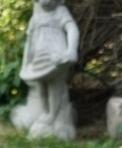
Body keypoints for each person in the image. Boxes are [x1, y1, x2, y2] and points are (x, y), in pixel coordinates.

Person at [11, 0, 79, 140]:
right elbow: (29, 43)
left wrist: (71, 49)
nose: (47, 1)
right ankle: (46, 113)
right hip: (38, 60)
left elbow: (72, 29)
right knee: (41, 86)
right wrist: (26, 64)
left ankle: (53, 116)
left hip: (56, 58)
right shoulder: (36, 17)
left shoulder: (60, 12)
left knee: (55, 86)